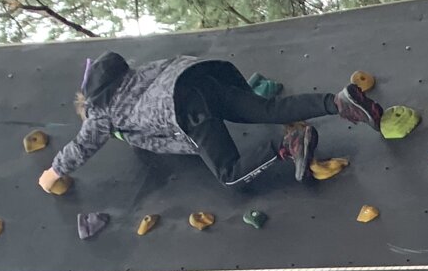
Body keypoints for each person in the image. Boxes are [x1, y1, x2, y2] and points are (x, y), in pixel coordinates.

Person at [38, 53, 383, 191]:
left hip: (185, 107)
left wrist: (52, 173)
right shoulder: (134, 75)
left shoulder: (100, 113)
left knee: (228, 173)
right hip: (201, 77)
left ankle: (287, 147)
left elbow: (83, 145)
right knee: (266, 109)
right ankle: (339, 102)